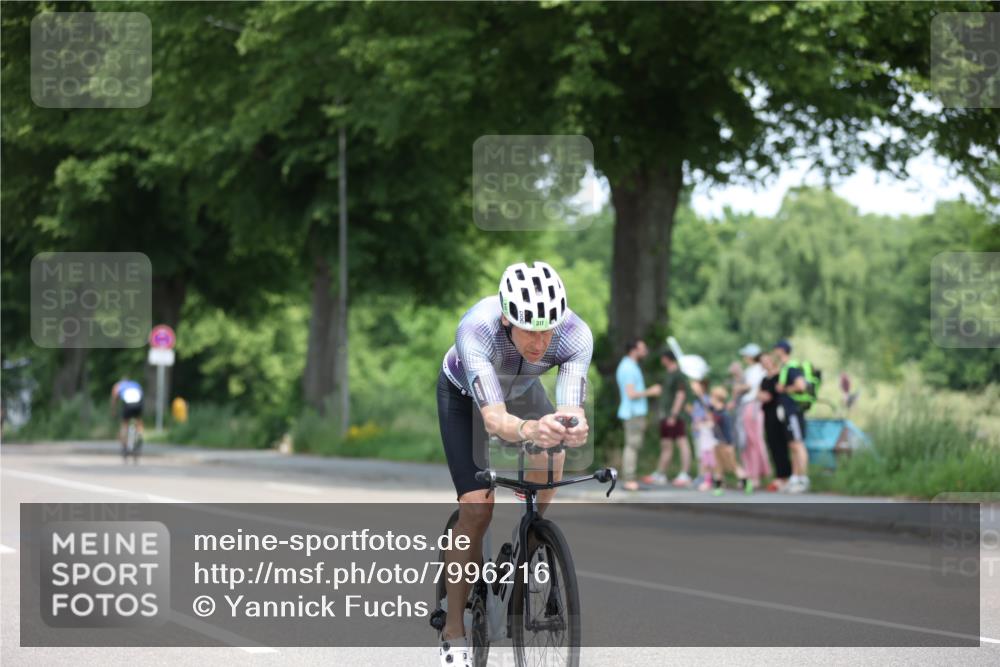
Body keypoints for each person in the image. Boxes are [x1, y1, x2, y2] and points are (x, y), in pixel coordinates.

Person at [436, 261, 592, 666]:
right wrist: (528, 431)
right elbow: (494, 420)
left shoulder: (575, 334)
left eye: (547, 329)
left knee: (553, 455)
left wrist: (570, 427)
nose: (540, 342)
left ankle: (533, 538)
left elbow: (570, 406)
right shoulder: (477, 329)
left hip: (522, 391)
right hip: (467, 398)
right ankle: (454, 631)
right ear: (507, 318)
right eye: (529, 329)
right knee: (477, 506)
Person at [616, 339, 662, 491]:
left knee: (633, 445)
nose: (645, 350)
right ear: (634, 350)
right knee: (632, 446)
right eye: (642, 348)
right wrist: (652, 391)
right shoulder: (629, 368)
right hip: (633, 413)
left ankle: (630, 478)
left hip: (634, 413)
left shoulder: (630, 366)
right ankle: (629, 479)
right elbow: (631, 393)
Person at [642, 350, 692, 487]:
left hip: (675, 416)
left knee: (682, 443)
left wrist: (674, 415)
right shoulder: (668, 374)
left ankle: (685, 473)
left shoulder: (678, 375)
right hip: (665, 416)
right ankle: (660, 473)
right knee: (666, 445)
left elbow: (681, 395)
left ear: (667, 359)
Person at [773, 339, 810, 493]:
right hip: (788, 412)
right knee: (792, 445)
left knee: (798, 443)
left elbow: (801, 386)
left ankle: (803, 479)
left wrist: (784, 389)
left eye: (776, 349)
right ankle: (795, 477)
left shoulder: (792, 367)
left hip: (793, 411)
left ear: (782, 350)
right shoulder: (785, 367)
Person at [733, 343, 770, 486]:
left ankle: (755, 475)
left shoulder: (757, 370)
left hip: (753, 406)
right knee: (746, 441)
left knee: (753, 440)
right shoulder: (751, 370)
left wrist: (739, 387)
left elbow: (750, 386)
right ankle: (748, 473)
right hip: (746, 406)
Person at [709, 386, 751, 495]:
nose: (710, 400)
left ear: (716, 399)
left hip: (726, 443)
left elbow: (728, 431)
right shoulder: (715, 412)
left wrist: (729, 444)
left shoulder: (724, 414)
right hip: (717, 442)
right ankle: (718, 486)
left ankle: (746, 482)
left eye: (712, 398)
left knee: (732, 465)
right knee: (718, 466)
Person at [689, 379, 717, 492]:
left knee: (706, 456)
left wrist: (700, 421)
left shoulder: (706, 400)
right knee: (699, 456)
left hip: (704, 432)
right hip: (697, 431)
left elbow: (710, 414)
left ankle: (707, 477)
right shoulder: (696, 401)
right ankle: (702, 476)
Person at [110, 377, 144, 453]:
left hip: (127, 404)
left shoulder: (118, 386)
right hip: (138, 403)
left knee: (125, 423)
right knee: (138, 419)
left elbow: (114, 398)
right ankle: (140, 434)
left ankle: (124, 444)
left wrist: (113, 410)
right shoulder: (135, 384)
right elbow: (142, 394)